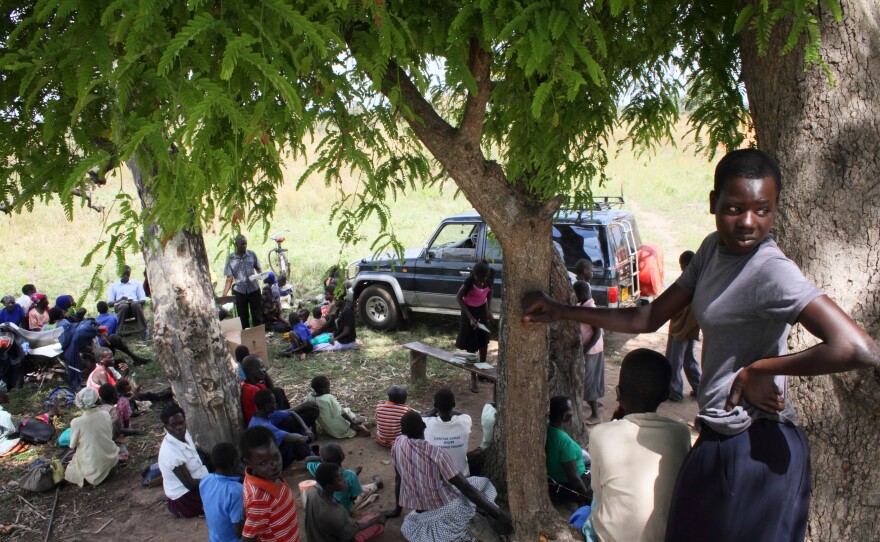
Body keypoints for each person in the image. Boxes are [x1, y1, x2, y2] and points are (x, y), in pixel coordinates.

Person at [522, 148, 880, 542]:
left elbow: (858, 348)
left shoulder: (771, 269)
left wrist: (761, 369)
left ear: (776, 208)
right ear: (713, 203)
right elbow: (647, 317)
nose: (747, 222)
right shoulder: (713, 250)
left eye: (762, 210)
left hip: (755, 447)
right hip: (719, 434)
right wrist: (562, 311)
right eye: (734, 208)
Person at [583, 348, 692, 542]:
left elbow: (598, 493)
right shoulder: (681, 433)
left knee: (588, 511)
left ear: (618, 393)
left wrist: (613, 424)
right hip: (665, 535)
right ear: (666, 394)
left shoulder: (600, 434)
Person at [386, 410, 512, 540]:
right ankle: (487, 513)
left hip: (419, 513)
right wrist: (498, 514)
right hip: (447, 509)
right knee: (480, 483)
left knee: (468, 490)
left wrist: (397, 510)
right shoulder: (436, 453)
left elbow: (398, 479)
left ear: (403, 431)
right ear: (424, 426)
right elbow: (465, 487)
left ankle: (482, 511)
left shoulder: (397, 444)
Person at [240, 426, 301, 542]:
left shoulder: (265, 475)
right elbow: (248, 539)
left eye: (275, 456)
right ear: (248, 463)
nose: (274, 466)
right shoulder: (259, 500)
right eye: (263, 463)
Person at [306, 462, 387, 542]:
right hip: (339, 536)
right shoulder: (335, 513)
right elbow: (349, 534)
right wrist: (375, 520)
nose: (345, 481)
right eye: (341, 479)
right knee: (378, 523)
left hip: (315, 537)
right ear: (329, 487)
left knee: (371, 517)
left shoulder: (313, 491)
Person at [304, 441, 383, 513]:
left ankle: (353, 482)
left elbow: (307, 460)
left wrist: (321, 459)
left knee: (348, 481)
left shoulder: (319, 468)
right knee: (362, 491)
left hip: (325, 509)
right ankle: (376, 483)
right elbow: (354, 497)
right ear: (342, 456)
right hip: (343, 511)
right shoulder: (350, 475)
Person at [158, 403, 207, 518]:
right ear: (166, 427)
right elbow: (190, 484)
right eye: (173, 425)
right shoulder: (170, 452)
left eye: (181, 423)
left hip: (198, 485)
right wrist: (212, 480)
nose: (179, 427)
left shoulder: (184, 435)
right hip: (185, 499)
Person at [64, 387, 119, 487]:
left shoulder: (77, 422)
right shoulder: (106, 414)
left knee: (71, 468)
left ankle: (87, 477)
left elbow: (72, 446)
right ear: (98, 400)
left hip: (95, 473)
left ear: (79, 403)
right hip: (113, 464)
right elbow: (109, 434)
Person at [665, 250, 701, 401]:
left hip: (681, 326)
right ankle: (699, 388)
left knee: (674, 361)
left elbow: (676, 303)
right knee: (689, 359)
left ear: (685, 264)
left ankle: (675, 392)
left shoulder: (686, 278)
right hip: (691, 326)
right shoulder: (699, 277)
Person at [240, 356, 317, 426]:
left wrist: (264, 374)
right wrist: (301, 406)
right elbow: (270, 415)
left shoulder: (253, 384)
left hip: (271, 416)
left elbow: (272, 390)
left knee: (278, 391)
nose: (265, 371)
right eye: (262, 367)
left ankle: (290, 416)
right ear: (251, 370)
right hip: (266, 424)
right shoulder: (252, 390)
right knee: (312, 410)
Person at [249, 389, 314, 470]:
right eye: (273, 402)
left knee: (289, 420)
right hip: (268, 464)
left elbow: (291, 412)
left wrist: (306, 429)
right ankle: (313, 458)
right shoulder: (264, 426)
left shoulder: (262, 415)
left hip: (269, 453)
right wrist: (307, 437)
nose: (276, 405)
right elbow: (296, 439)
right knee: (294, 442)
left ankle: (309, 453)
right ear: (266, 406)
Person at [455, 260, 494, 392]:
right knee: (472, 344)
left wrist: (489, 310)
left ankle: (482, 373)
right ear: (474, 275)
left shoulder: (489, 277)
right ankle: (473, 378)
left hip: (482, 310)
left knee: (483, 341)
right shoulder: (469, 282)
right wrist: (470, 318)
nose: (481, 282)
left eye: (483, 279)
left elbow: (489, 293)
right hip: (469, 312)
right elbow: (459, 298)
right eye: (478, 279)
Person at [546, 395, 591, 505]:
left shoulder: (547, 430)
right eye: (571, 409)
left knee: (586, 456)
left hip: (555, 482)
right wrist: (586, 498)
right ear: (565, 415)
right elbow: (574, 478)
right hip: (569, 487)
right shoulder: (565, 442)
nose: (572, 412)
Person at [574, 278, 604, 423]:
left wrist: (585, 350)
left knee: (589, 380)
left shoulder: (590, 309)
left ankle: (596, 414)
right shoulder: (583, 306)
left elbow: (597, 332)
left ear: (580, 293)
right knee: (591, 378)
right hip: (591, 348)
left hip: (592, 349)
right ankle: (594, 402)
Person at [200, 442, 244, 542]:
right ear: (235, 462)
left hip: (214, 538)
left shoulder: (205, 480)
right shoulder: (236, 490)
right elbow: (239, 533)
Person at [423, 388, 472, 476]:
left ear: (435, 406)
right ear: (454, 404)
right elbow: (463, 415)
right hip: (463, 478)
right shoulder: (465, 420)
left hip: (436, 480)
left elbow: (420, 416)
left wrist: (434, 410)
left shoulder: (426, 422)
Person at [307, 375, 371, 438]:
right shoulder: (328, 398)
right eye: (329, 387)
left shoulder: (309, 396)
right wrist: (352, 421)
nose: (329, 388)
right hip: (340, 429)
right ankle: (357, 426)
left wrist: (314, 433)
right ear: (324, 389)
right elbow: (341, 412)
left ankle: (357, 425)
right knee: (346, 411)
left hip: (329, 430)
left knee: (343, 412)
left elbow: (311, 417)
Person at [222, 234, 263, 329]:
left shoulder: (252, 254)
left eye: (245, 244)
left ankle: (259, 338)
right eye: (242, 244)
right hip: (239, 292)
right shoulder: (231, 259)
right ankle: (246, 338)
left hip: (254, 290)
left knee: (257, 316)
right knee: (243, 318)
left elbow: (259, 269)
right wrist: (224, 295)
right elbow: (229, 278)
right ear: (236, 244)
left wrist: (260, 275)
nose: (244, 246)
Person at [107, 265, 149, 338]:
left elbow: (143, 299)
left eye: (128, 274)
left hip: (134, 306)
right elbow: (109, 303)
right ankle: (119, 331)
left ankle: (144, 330)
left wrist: (135, 302)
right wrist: (120, 300)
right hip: (121, 306)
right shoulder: (114, 286)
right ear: (120, 274)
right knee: (124, 306)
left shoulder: (136, 283)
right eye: (124, 274)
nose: (126, 276)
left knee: (135, 305)